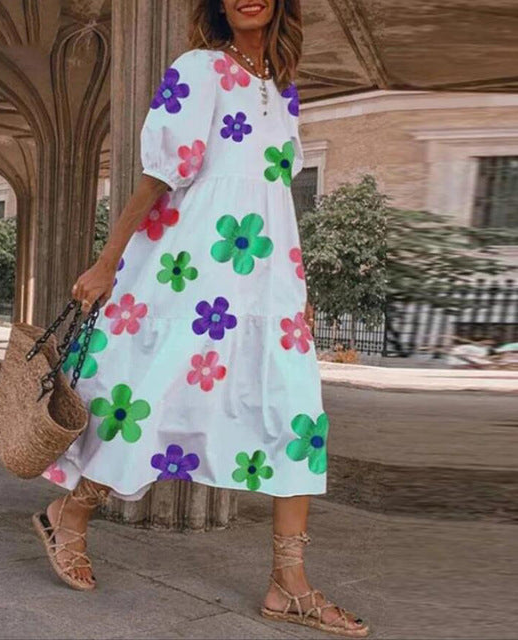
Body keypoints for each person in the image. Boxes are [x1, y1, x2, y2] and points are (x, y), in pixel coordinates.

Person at [32, 0, 369, 636]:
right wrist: (106, 262)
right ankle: (68, 515)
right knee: (149, 401)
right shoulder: (198, 68)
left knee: (297, 415)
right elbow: (158, 177)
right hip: (190, 272)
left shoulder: (285, 89)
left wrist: (295, 285)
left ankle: (288, 583)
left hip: (266, 282)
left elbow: (276, 195)